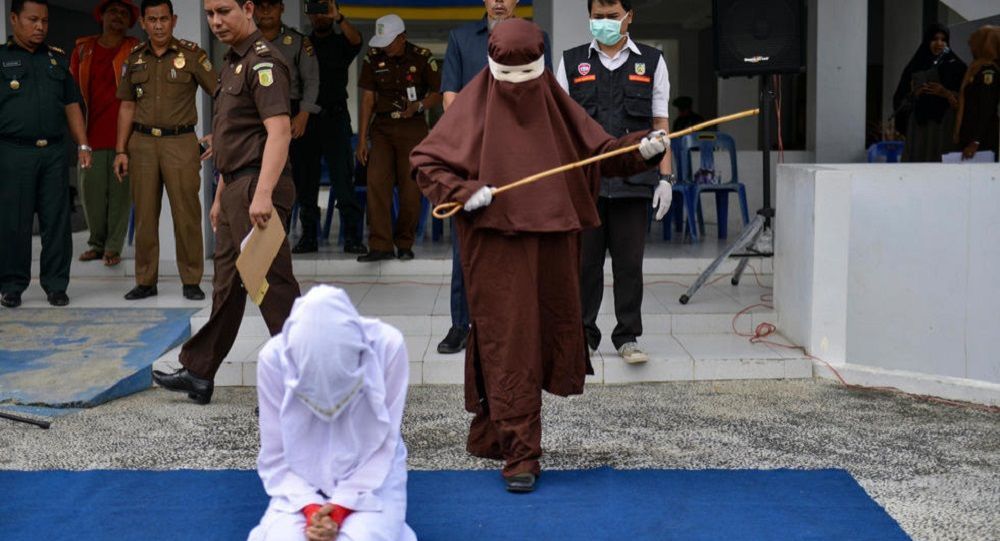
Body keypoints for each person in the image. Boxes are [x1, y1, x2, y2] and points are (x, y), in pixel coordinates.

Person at [411, 19, 665, 492]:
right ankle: (521, 452)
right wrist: (463, 190)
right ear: (490, 71)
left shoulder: (553, 99)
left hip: (553, 238)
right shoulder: (474, 102)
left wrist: (640, 149)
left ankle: (496, 432)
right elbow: (426, 162)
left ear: (542, 69)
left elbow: (598, 152)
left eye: (527, 77)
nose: (518, 89)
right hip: (494, 243)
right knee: (509, 339)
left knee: (540, 334)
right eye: (507, 80)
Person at [152, 0, 300, 404]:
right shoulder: (233, 63)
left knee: (273, 288)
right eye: (210, 14)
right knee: (227, 287)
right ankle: (200, 371)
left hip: (258, 187)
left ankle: (305, 386)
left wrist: (265, 194)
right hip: (236, 187)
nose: (216, 21)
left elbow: (279, 132)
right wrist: (220, 195)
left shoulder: (263, 62)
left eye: (224, 11)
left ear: (248, 8)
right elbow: (231, 139)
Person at [247, 285, 416, 541]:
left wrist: (339, 510)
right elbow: (276, 455)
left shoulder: (388, 347)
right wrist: (312, 509)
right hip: (297, 483)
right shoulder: (273, 358)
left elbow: (385, 446)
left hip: (373, 476)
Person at [557, 0, 674, 364]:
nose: (603, 23)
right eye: (597, 17)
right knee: (584, 265)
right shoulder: (572, 61)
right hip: (585, 184)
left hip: (635, 181)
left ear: (629, 16)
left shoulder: (652, 62)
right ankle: (583, 336)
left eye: (611, 17)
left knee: (628, 264)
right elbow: (559, 126)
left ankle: (627, 337)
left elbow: (660, 124)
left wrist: (666, 178)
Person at [435, 0, 552, 355]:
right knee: (466, 243)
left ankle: (518, 324)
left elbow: (543, 96)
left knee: (519, 242)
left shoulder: (537, 37)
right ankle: (461, 325)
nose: (499, 1)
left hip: (520, 157)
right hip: (473, 156)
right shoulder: (460, 39)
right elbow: (450, 100)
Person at [114, 0, 217, 301]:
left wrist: (218, 132)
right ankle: (146, 281)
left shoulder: (192, 55)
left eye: (163, 19)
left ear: (173, 20)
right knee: (145, 214)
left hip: (181, 142)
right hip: (142, 144)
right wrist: (121, 150)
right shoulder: (133, 59)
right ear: (143, 23)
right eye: (151, 20)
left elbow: (222, 92)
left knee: (186, 213)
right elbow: (127, 106)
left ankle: (191, 280)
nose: (158, 25)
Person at [0, 0, 92, 309]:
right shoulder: (1, 59)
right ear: (14, 19)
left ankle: (56, 285)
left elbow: (71, 104)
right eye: (33, 19)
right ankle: (12, 285)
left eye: (45, 21)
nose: (40, 26)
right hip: (14, 152)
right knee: (14, 222)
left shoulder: (57, 60)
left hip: (53, 152)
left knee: (57, 221)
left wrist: (82, 144)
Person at [355, 14, 441, 263]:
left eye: (389, 42)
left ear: (402, 38)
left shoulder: (422, 57)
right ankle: (380, 244)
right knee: (376, 183)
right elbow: (368, 99)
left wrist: (419, 106)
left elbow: (438, 93)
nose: (384, 47)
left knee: (411, 187)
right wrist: (362, 140)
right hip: (381, 128)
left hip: (412, 127)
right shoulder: (373, 57)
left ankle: (404, 242)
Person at [70, 0, 140, 268]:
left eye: (124, 14)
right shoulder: (83, 50)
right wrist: (79, 138)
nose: (118, 17)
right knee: (91, 194)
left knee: (121, 196)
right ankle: (96, 243)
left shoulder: (134, 49)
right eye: (113, 12)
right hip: (91, 136)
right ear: (102, 16)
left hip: (126, 137)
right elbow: (71, 94)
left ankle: (113, 246)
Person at [254, 0, 322, 254]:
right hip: (258, 114)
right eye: (261, 6)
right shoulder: (247, 41)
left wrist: (304, 112)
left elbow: (312, 80)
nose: (266, 10)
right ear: (252, 9)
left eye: (270, 6)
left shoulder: (298, 42)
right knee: (262, 175)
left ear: (281, 8)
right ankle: (267, 238)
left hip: (293, 112)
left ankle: (309, 235)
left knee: (303, 176)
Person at [305, 0, 367, 255]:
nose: (320, 17)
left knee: (343, 180)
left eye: (325, 12)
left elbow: (356, 41)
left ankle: (352, 237)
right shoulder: (302, 45)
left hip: (336, 119)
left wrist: (339, 17)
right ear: (309, 16)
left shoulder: (341, 42)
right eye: (316, 12)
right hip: (307, 120)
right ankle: (308, 237)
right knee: (305, 182)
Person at [891, 23, 966, 162]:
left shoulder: (956, 66)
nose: (939, 43)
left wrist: (945, 93)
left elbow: (967, 97)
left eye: (943, 40)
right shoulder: (916, 64)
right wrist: (915, 94)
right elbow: (900, 99)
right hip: (919, 127)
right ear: (927, 41)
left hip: (944, 126)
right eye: (934, 39)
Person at [955, 25, 1000, 162]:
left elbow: (987, 108)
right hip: (971, 135)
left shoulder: (988, 71)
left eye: (976, 42)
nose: (971, 45)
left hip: (982, 139)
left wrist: (976, 141)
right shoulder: (976, 68)